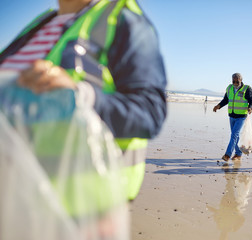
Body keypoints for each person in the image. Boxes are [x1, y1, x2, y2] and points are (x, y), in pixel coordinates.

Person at [0, 0, 167, 200]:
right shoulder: (40, 24)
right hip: (13, 194)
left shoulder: (125, 22)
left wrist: (79, 96)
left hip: (73, 207)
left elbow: (150, 112)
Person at [213, 73, 252, 161]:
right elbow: (226, 100)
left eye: (237, 81)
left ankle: (227, 155)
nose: (235, 83)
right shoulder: (229, 88)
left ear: (241, 80)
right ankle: (238, 154)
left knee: (234, 135)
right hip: (232, 116)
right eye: (233, 81)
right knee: (235, 136)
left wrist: (250, 108)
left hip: (241, 116)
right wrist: (218, 106)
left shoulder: (246, 89)